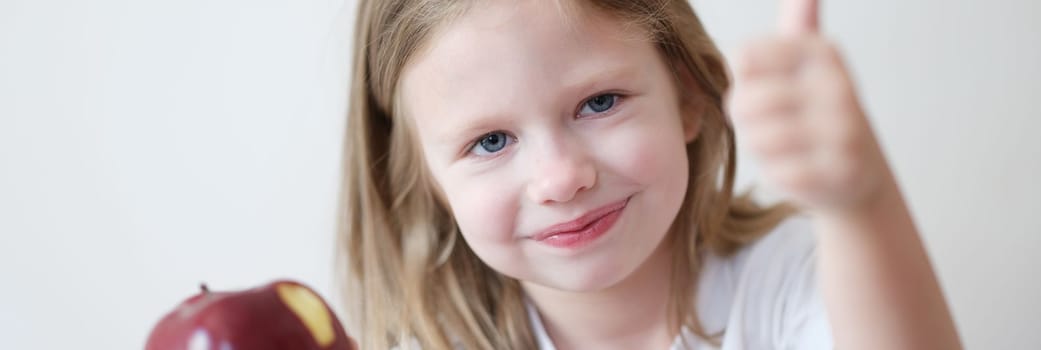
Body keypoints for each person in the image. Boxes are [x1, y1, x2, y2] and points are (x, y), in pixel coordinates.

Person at [338, 0, 962, 349]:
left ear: (689, 93)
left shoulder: (787, 284)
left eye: (600, 102)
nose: (560, 178)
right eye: (491, 141)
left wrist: (858, 203)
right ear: (426, 179)